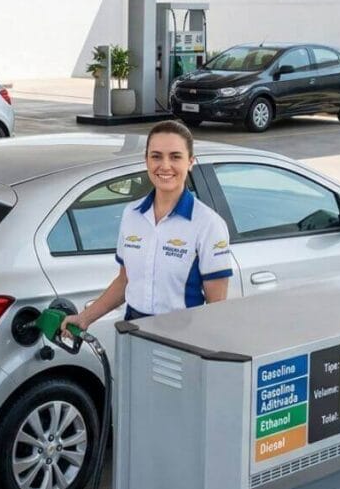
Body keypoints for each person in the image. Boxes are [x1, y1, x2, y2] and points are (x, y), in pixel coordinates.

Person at [61, 120, 232, 335]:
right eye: (156, 156)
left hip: (183, 337)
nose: (165, 166)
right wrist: (84, 318)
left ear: (190, 162)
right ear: (146, 161)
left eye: (175, 156)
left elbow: (217, 306)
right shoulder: (131, 214)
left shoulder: (208, 223)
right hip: (133, 330)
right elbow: (125, 281)